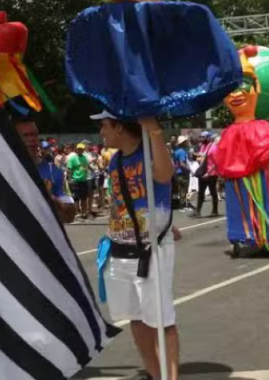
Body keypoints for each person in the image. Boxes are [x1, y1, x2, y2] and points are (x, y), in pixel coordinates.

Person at [95, 110, 180, 380]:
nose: (101, 133)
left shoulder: (151, 155)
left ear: (119, 126)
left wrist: (152, 128)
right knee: (135, 316)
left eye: (104, 126)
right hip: (120, 249)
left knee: (162, 320)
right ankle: (155, 373)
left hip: (150, 251)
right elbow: (119, 202)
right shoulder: (115, 161)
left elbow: (165, 176)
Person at [191, 132, 219, 218]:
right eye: (200, 137)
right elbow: (202, 157)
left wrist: (208, 173)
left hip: (212, 173)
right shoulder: (202, 146)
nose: (201, 139)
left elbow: (216, 162)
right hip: (203, 172)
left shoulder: (214, 148)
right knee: (201, 192)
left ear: (208, 138)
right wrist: (194, 156)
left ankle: (215, 211)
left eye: (203, 137)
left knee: (213, 192)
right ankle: (197, 211)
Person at [67, 143, 95, 220]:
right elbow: (69, 170)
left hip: (84, 180)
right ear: (76, 149)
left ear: (83, 150)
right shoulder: (72, 158)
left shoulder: (84, 158)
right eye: (79, 149)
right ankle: (77, 213)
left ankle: (84, 212)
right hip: (75, 180)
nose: (80, 150)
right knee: (76, 198)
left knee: (84, 198)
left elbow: (86, 166)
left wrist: (92, 170)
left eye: (81, 149)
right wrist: (70, 179)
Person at [171, 137, 191, 209]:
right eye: (185, 141)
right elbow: (182, 163)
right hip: (183, 173)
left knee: (180, 189)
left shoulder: (176, 151)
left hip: (177, 172)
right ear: (183, 143)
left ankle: (181, 204)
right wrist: (190, 169)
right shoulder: (182, 151)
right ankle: (183, 205)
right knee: (184, 189)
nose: (186, 143)